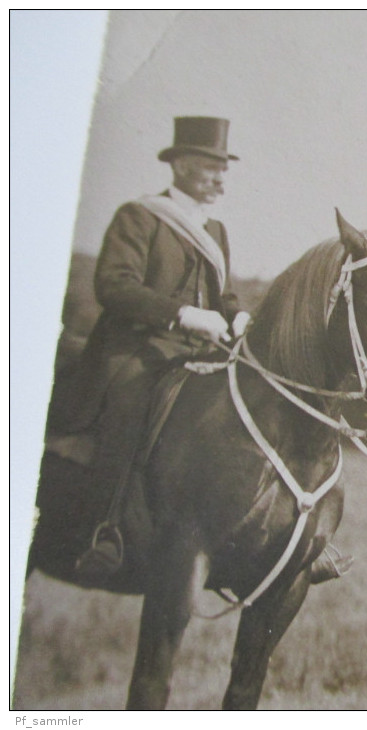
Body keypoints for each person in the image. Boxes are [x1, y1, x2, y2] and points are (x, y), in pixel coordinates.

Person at [68, 116, 251, 580]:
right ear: (182, 165)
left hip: (199, 352)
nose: (220, 179)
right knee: (133, 401)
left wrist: (238, 315)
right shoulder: (141, 215)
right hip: (138, 345)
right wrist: (183, 315)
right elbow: (113, 285)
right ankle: (104, 529)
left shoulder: (217, 231)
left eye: (224, 169)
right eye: (212, 167)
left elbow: (223, 295)